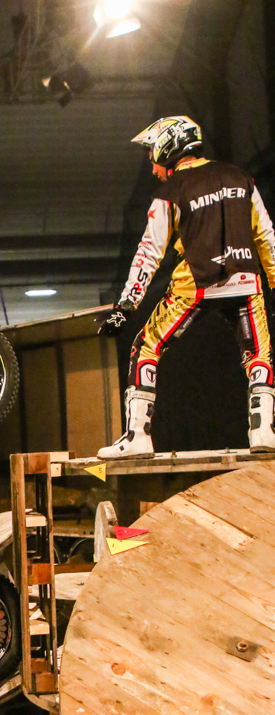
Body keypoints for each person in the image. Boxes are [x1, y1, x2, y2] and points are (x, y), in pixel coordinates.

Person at [98, 115, 275, 459]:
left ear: (168, 147)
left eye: (152, 155)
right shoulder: (241, 178)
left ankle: (138, 437)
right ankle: (263, 432)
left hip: (195, 284)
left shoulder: (171, 190)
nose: (153, 168)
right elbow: (266, 237)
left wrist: (126, 306)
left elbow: (149, 251)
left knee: (145, 347)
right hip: (246, 280)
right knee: (258, 354)